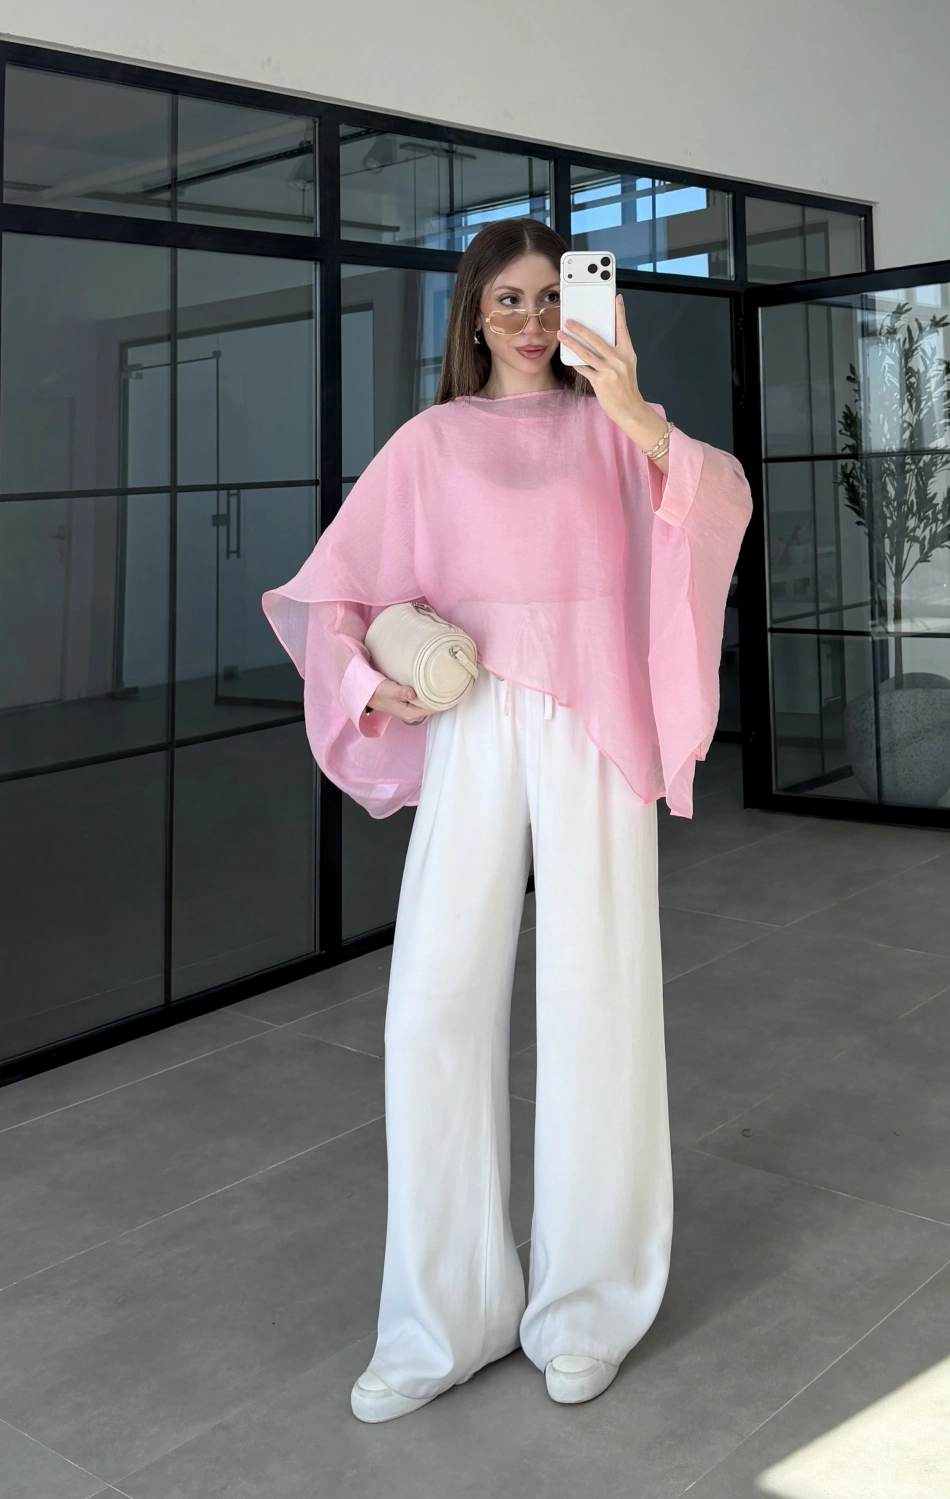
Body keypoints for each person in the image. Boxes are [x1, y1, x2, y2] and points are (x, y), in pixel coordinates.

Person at [261, 217, 752, 1422]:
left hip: (595, 723)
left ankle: (588, 1306)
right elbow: (339, 588)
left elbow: (723, 502)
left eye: (550, 297)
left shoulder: (617, 429)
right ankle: (442, 1318)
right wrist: (370, 678)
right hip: (475, 720)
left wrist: (632, 407)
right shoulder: (429, 442)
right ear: (474, 313)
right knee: (432, 1002)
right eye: (510, 299)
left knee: (598, 999)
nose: (533, 320)